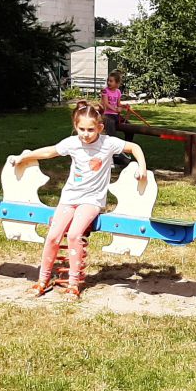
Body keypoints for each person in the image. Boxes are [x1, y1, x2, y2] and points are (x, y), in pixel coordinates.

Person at [9, 101, 147, 299]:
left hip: (91, 199)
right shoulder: (72, 143)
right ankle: (43, 280)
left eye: (90, 129)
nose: (86, 134)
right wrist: (24, 157)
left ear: (100, 127)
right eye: (81, 129)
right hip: (70, 197)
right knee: (53, 236)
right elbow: (49, 152)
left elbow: (134, 147)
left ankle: (73, 284)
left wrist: (142, 168)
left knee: (74, 235)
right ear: (75, 126)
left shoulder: (108, 143)